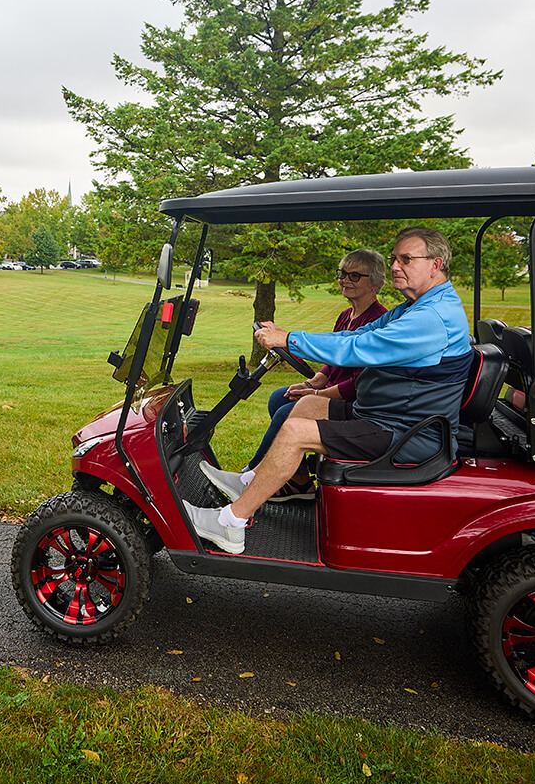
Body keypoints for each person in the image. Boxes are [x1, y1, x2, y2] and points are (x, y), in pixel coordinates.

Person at [187, 227, 473, 555]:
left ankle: (231, 524)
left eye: (406, 259)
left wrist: (289, 340)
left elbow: (362, 348)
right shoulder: (416, 307)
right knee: (307, 405)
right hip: (383, 416)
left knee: (295, 430)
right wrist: (292, 340)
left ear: (435, 265)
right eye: (394, 258)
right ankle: (251, 482)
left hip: (406, 435)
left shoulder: (431, 318)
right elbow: (356, 335)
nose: (395, 266)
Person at [244, 248, 389, 483]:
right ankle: (298, 479)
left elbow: (358, 383)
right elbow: (333, 364)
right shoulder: (346, 315)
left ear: (374, 283)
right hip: (332, 391)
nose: (344, 280)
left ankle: (252, 475)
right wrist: (309, 383)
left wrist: (316, 394)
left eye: (354, 276)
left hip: (355, 403)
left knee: (285, 412)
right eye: (342, 274)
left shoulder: (377, 321)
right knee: (280, 397)